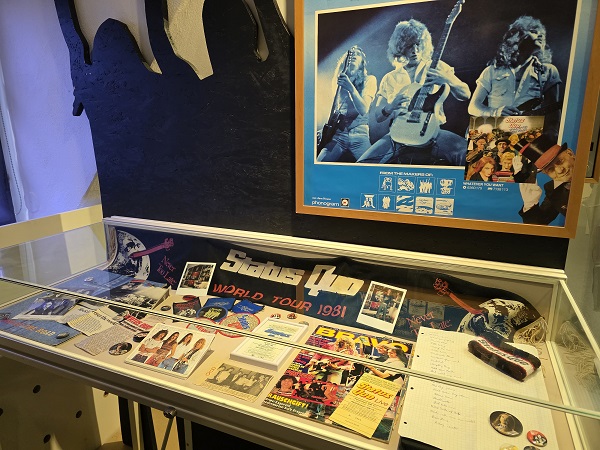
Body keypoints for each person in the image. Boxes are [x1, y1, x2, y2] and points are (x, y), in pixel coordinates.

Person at [358, 19, 471, 165]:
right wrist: (390, 106)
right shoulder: (390, 78)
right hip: (397, 135)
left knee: (470, 156)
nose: (415, 50)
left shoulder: (437, 67)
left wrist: (447, 79)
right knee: (363, 164)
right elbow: (378, 116)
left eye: (418, 44)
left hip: (433, 133)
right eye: (409, 46)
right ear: (400, 48)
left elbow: (465, 94)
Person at [468, 16, 562, 141]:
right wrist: (495, 112)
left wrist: (552, 132)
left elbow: (554, 111)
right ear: (517, 36)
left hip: (528, 138)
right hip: (494, 138)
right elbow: (473, 107)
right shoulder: (492, 71)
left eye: (542, 34)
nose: (540, 36)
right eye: (534, 31)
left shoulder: (549, 71)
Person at [317, 46, 377, 162]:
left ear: (362, 63)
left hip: (359, 133)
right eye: (351, 53)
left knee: (371, 165)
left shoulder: (369, 80)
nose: (354, 55)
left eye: (358, 54)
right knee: (320, 162)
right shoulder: (338, 81)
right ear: (345, 60)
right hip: (339, 134)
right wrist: (324, 129)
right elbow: (336, 109)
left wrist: (351, 88)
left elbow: (363, 109)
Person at [513, 134, 576, 224]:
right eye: (551, 169)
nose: (559, 170)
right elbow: (539, 223)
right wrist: (530, 203)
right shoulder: (553, 189)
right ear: (545, 173)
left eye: (560, 161)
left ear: (570, 153)